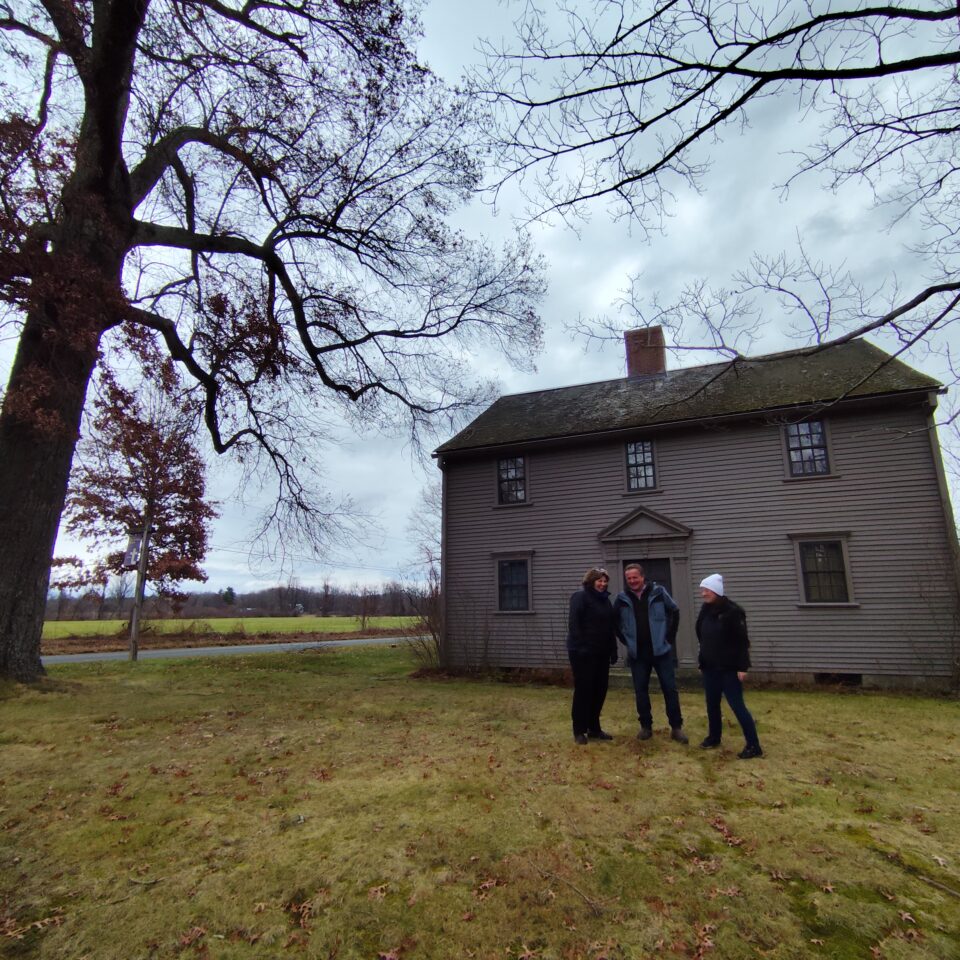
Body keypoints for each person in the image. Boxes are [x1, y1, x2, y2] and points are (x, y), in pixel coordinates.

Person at [613, 563, 687, 744]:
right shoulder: (622, 598)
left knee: (669, 689)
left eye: (635, 577)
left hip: (661, 652)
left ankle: (676, 728)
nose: (632, 581)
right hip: (638, 654)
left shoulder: (659, 592)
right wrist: (626, 640)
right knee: (641, 690)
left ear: (642, 577)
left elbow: (675, 611)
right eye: (629, 578)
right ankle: (646, 726)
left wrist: (669, 637)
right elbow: (614, 622)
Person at [695, 574, 763, 759]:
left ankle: (753, 745)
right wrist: (702, 660)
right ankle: (714, 737)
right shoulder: (706, 609)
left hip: (729, 668)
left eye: (706, 590)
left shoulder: (733, 612)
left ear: (716, 591)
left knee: (737, 705)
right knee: (712, 704)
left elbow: (742, 641)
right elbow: (702, 636)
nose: (703, 594)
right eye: (703, 590)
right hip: (710, 667)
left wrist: (742, 667)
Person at [567, 567, 618, 745]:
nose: (603, 584)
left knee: (599, 690)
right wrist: (581, 647)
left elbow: (609, 627)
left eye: (605, 581)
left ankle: (594, 728)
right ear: (590, 581)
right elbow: (574, 624)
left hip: (601, 652)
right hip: (582, 653)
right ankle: (579, 730)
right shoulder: (580, 597)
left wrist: (613, 649)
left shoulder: (605, 601)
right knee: (584, 690)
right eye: (599, 581)